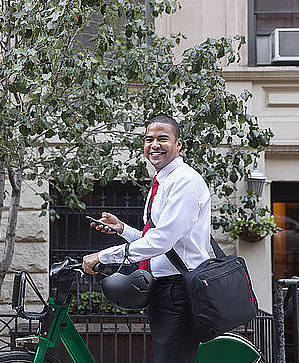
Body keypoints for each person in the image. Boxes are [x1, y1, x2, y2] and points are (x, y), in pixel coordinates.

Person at [82, 114, 211, 363]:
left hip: (177, 290)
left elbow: (162, 241)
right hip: (165, 290)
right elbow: (156, 237)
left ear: (179, 144)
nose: (154, 145)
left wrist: (103, 256)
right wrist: (122, 229)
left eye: (163, 138)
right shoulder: (163, 182)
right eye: (148, 139)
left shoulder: (183, 181)